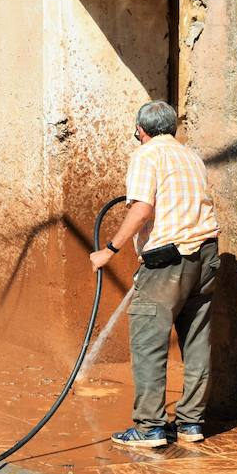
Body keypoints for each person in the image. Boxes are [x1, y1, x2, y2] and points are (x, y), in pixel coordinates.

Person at [91, 100, 220, 448]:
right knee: (196, 339)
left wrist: (110, 250)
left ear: (140, 130)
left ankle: (150, 428)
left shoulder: (146, 155)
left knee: (148, 342)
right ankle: (192, 423)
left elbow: (142, 209)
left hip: (168, 260)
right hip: (206, 255)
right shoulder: (191, 156)